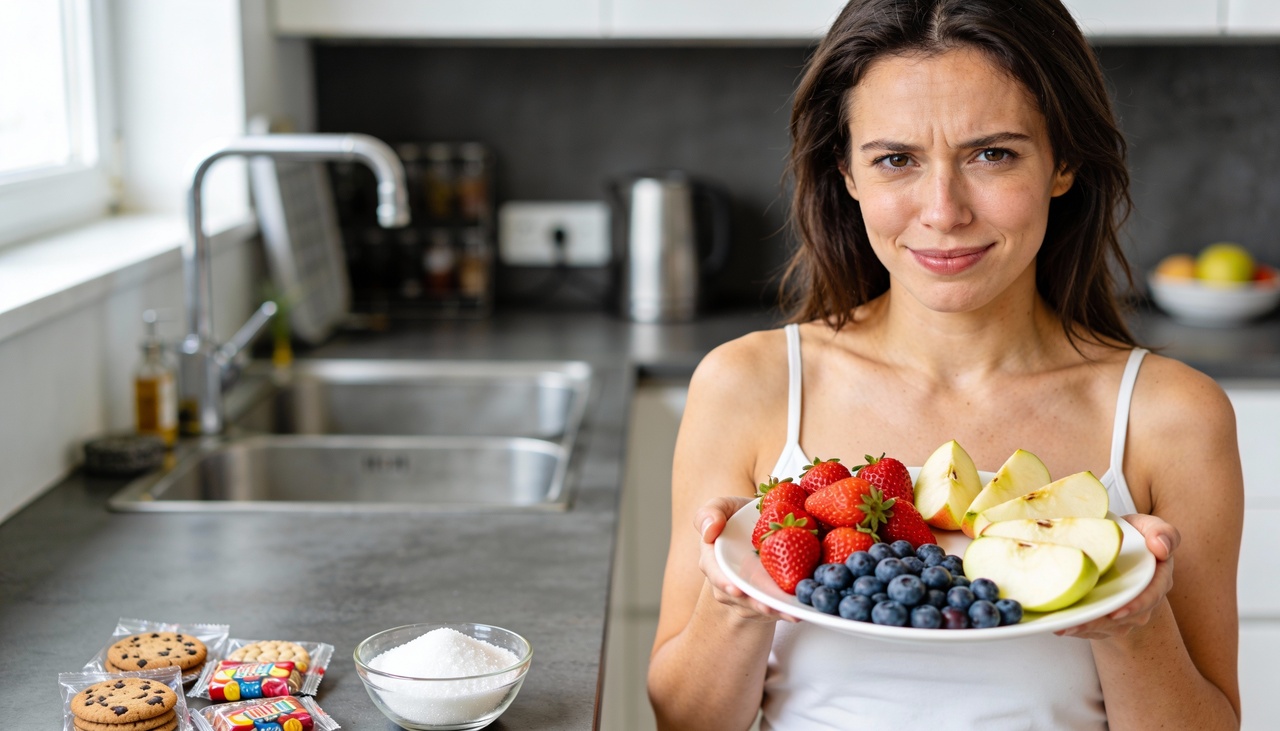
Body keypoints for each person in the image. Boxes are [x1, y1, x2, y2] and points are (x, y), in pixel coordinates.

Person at [646, 1, 1244, 729]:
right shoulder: (746, 385)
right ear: (847, 172)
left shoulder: (1171, 414)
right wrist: (731, 598)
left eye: (992, 153)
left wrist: (1131, 621)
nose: (942, 210)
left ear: (1063, 162)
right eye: (896, 159)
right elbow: (685, 720)